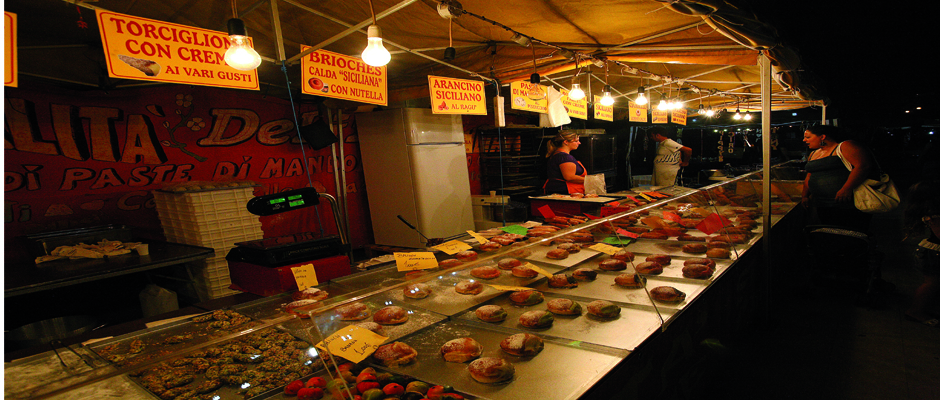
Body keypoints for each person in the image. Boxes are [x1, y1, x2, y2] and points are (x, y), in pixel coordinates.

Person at [800, 125, 877, 232]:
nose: (804, 140)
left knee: (851, 232)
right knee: (830, 232)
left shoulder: (844, 146)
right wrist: (805, 195)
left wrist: (846, 189)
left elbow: (863, 166)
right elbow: (809, 176)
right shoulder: (813, 154)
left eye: (808, 137)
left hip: (847, 203)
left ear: (822, 137)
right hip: (822, 203)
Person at [904, 180, 940, 326]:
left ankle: (923, 308)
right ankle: (915, 311)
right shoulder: (934, 216)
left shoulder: (931, 213)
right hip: (933, 254)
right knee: (932, 284)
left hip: (931, 252)